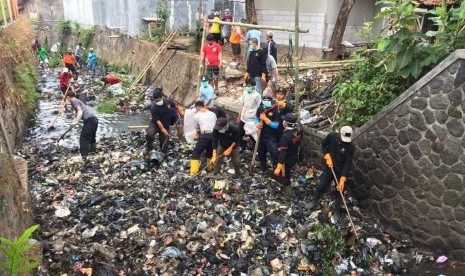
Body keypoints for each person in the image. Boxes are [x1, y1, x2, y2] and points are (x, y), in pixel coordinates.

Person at [310, 126, 355, 218]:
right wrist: (327, 155)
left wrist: (343, 178)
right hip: (329, 168)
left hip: (341, 172)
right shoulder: (332, 136)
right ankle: (314, 202)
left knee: (339, 192)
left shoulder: (351, 147)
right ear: (340, 134)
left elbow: (348, 163)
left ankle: (337, 210)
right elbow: (324, 145)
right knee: (321, 186)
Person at [67, 91, 99, 162]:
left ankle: (84, 157)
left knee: (84, 138)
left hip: (89, 120)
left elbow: (80, 112)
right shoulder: (77, 101)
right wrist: (72, 123)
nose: (68, 100)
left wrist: (75, 122)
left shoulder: (74, 101)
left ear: (68, 97)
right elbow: (76, 114)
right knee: (91, 137)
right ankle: (93, 152)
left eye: (67, 98)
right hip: (94, 119)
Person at [190, 101, 217, 176]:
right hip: (214, 135)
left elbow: (198, 129)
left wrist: (198, 137)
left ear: (197, 107)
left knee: (196, 153)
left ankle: (193, 173)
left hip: (205, 134)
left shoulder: (196, 115)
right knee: (210, 152)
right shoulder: (213, 114)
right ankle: (210, 168)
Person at [274, 113, 301, 188]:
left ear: (286, 123)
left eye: (284, 121)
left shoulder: (285, 136)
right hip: (294, 155)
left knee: (286, 173)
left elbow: (283, 152)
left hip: (286, 158)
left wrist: (279, 167)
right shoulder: (297, 132)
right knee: (288, 170)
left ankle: (286, 186)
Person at [255, 95, 279, 171]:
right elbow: (256, 118)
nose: (265, 101)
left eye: (267, 100)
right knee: (261, 152)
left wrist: (265, 119)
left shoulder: (275, 110)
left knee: (274, 153)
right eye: (264, 100)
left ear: (271, 101)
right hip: (261, 134)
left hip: (271, 136)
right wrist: (257, 124)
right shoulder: (261, 108)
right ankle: (263, 167)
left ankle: (276, 168)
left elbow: (276, 125)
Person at [237, 78, 261, 151]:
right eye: (247, 85)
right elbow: (243, 105)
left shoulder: (257, 95)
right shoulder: (245, 93)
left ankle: (254, 149)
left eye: (249, 86)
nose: (248, 87)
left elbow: (259, 107)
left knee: (253, 134)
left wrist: (258, 119)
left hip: (252, 118)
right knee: (240, 133)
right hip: (243, 117)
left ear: (253, 86)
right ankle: (242, 147)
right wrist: (239, 115)